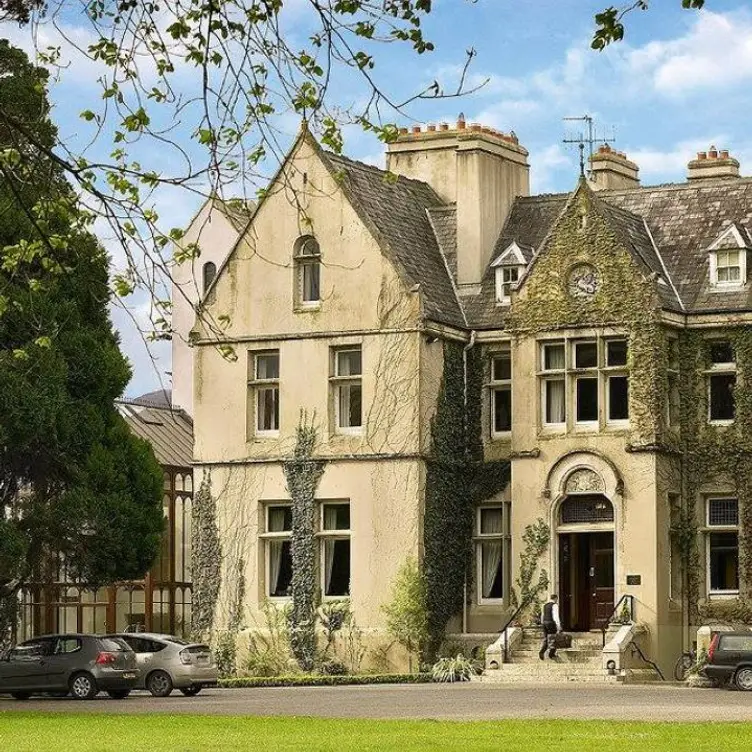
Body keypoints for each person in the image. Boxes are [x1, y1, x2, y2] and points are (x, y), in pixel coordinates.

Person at [539, 594, 562, 660]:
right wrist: (558, 626)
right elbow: (556, 616)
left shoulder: (545, 605)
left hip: (544, 623)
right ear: (555, 598)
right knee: (554, 639)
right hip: (551, 623)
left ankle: (541, 652)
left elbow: (542, 615)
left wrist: (542, 623)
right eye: (557, 599)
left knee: (546, 639)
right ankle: (551, 654)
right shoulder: (554, 605)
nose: (557, 600)